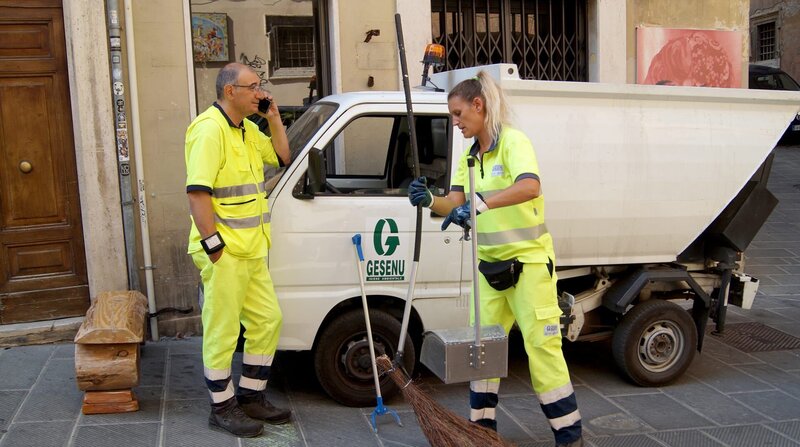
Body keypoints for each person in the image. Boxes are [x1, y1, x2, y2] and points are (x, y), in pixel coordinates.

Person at [407, 72, 583, 447]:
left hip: (529, 265)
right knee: (480, 350)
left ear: (478, 105)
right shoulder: (469, 157)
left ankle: (569, 436)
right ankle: (482, 433)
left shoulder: (513, 142)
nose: (455, 123)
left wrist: (482, 202)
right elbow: (454, 202)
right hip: (488, 267)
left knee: (541, 349)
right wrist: (429, 202)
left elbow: (529, 185)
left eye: (458, 114)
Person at [185, 62, 291, 438]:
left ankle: (251, 395)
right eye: (253, 87)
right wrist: (214, 247)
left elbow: (282, 157)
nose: (260, 93)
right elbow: (198, 192)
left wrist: (274, 117)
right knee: (223, 329)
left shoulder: (247, 129)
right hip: (226, 250)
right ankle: (222, 406)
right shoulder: (208, 129)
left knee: (267, 320)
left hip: (253, 249)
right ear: (230, 91)